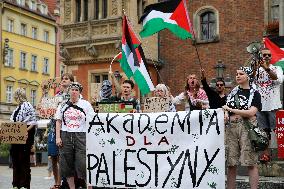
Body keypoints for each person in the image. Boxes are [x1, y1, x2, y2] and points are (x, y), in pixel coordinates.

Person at [222, 67, 261, 189]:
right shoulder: (233, 93)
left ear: (248, 76)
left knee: (250, 162)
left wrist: (231, 110)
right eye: (236, 74)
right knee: (231, 163)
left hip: (247, 128)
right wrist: (226, 114)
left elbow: (251, 112)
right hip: (231, 128)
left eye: (241, 74)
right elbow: (225, 107)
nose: (237, 76)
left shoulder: (255, 93)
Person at [55, 82, 95, 189]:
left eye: (76, 90)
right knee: (66, 163)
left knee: (83, 163)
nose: (74, 92)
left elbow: (92, 121)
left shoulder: (85, 104)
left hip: (81, 135)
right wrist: (58, 137)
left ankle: (89, 186)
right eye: (72, 89)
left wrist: (91, 137)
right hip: (66, 135)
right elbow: (58, 121)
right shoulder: (63, 105)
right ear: (69, 91)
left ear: (79, 93)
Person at [42, 73, 74, 189]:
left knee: (62, 157)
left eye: (66, 78)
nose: (63, 80)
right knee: (53, 156)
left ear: (71, 81)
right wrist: (44, 92)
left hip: (66, 128)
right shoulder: (56, 95)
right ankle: (57, 182)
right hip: (52, 127)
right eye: (62, 79)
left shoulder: (73, 94)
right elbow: (44, 107)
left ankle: (63, 182)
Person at [253, 48, 283, 163]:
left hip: (273, 105)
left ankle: (281, 153)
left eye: (268, 55)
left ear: (271, 57)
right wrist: (256, 68)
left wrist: (266, 68)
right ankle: (266, 154)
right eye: (264, 55)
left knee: (277, 130)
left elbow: (277, 79)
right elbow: (251, 82)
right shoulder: (257, 70)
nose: (266, 57)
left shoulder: (277, 68)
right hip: (260, 106)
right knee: (264, 132)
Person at [10, 88, 37, 189]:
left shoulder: (27, 105)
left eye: (15, 96)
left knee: (23, 161)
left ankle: (24, 184)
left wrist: (24, 131)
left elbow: (33, 122)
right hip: (16, 137)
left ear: (18, 96)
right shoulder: (18, 107)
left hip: (24, 137)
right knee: (15, 160)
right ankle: (16, 184)